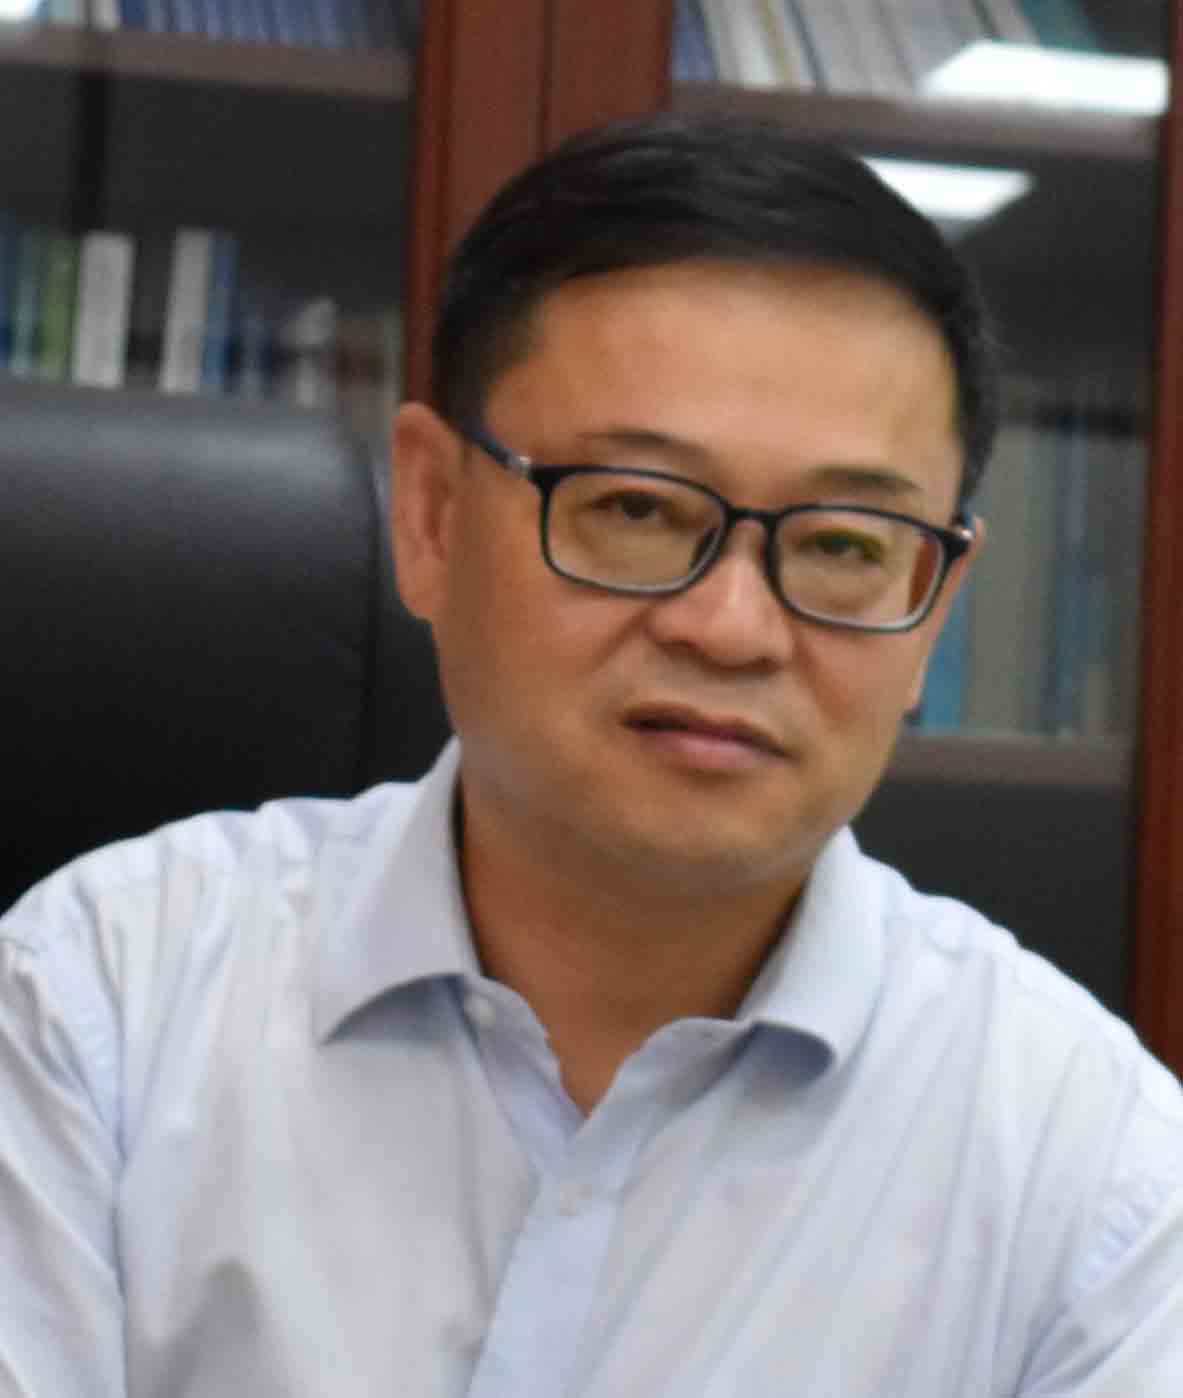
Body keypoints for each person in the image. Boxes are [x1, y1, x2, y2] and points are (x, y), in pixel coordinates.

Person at [2, 114, 1180, 1397]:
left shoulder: (1093, 1172)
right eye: (635, 508)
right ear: (432, 514)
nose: (732, 627)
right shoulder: (99, 1007)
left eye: (845, 544)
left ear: (933, 605)